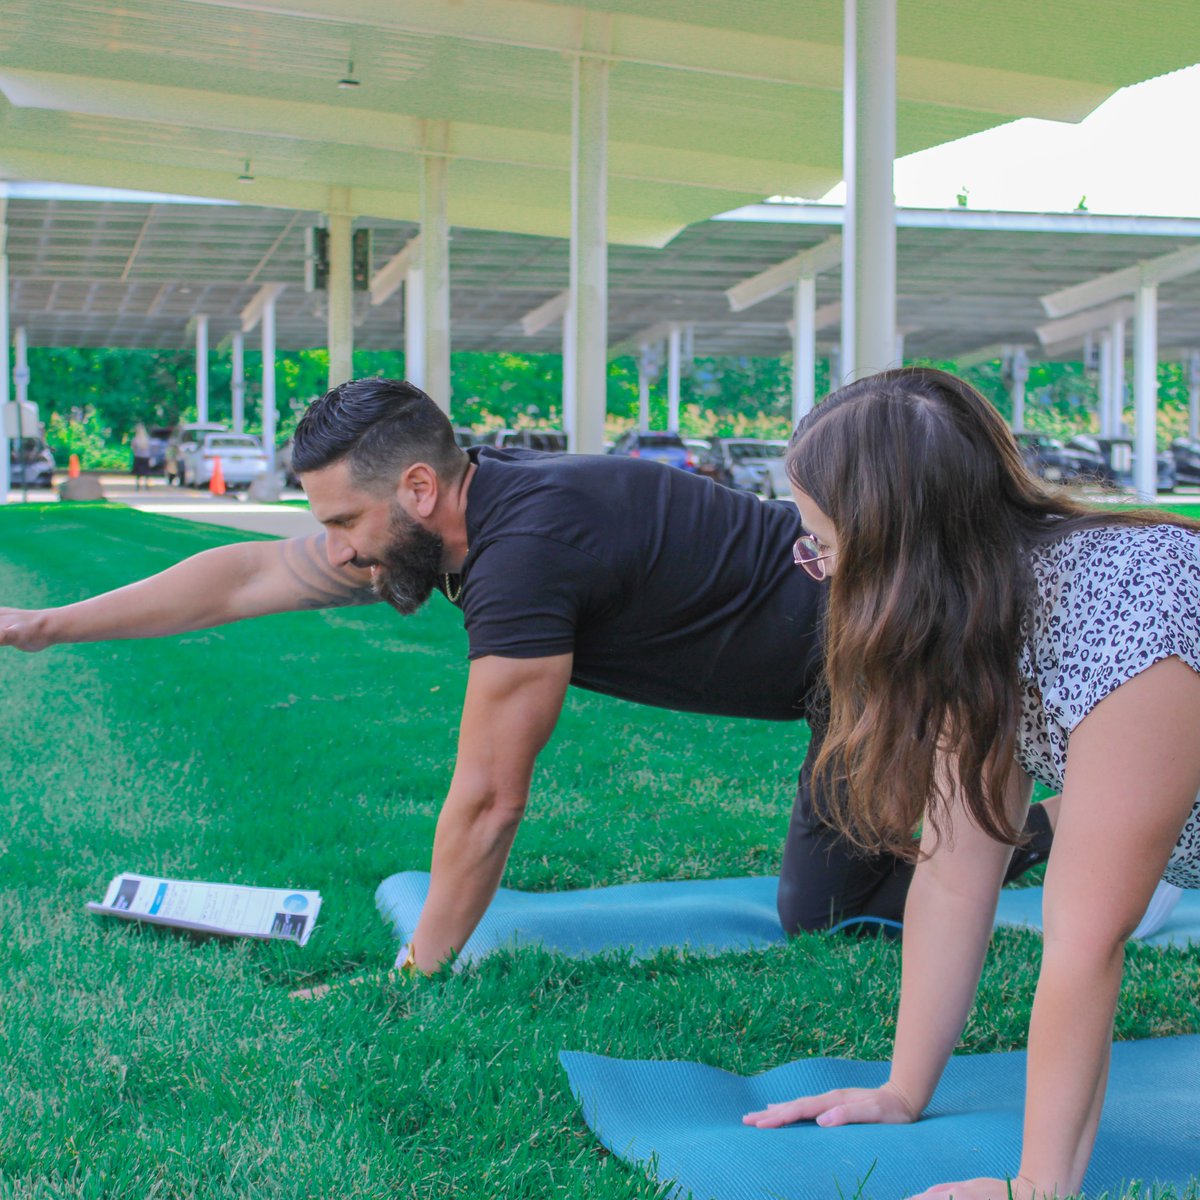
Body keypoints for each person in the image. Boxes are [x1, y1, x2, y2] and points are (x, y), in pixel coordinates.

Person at [0, 379, 1049, 974]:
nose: (338, 552)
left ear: (416, 488)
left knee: (829, 912)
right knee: (828, 908)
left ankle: (1039, 830)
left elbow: (493, 799)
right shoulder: (446, 525)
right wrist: (47, 624)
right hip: (828, 680)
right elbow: (244, 578)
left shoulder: (524, 555)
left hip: (886, 653)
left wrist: (420, 973)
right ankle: (1005, 828)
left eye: (345, 524)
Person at [742, 367, 1200, 1200]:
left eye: (825, 544)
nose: (822, 570)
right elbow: (955, 869)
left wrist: (1035, 1187)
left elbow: (1084, 938)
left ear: (894, 549)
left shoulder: (1130, 612)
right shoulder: (980, 613)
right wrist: (901, 1090)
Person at [131, 422, 153, 491]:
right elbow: (150, 448)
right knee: (147, 472)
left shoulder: (135, 439)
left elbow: (133, 448)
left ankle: (138, 485)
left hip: (138, 456)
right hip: (146, 457)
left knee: (139, 473)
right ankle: (147, 484)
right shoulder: (147, 439)